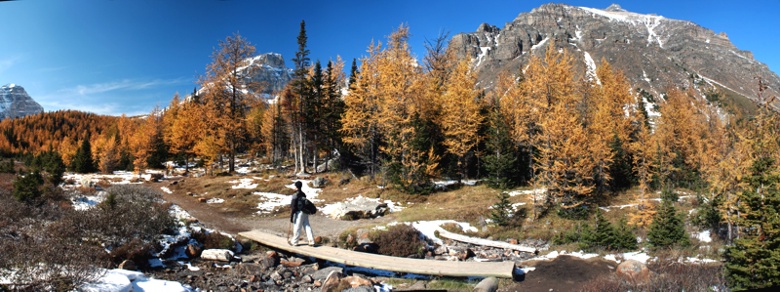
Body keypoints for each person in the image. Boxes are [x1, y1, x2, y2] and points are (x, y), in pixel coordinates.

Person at [290, 181, 315, 246]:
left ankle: (294, 242)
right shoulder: (303, 194)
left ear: (296, 187)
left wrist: (292, 215)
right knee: (307, 226)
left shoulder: (295, 195)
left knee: (297, 227)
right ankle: (311, 241)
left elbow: (293, 206)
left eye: (295, 186)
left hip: (299, 213)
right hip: (305, 212)